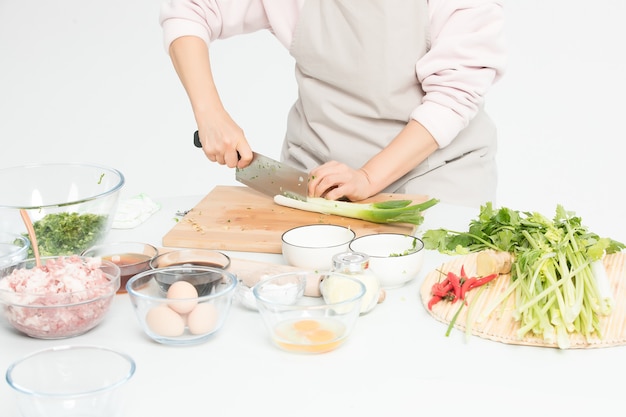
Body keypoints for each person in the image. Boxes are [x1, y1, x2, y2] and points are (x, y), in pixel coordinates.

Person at [160, 0, 506, 207]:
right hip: (315, 175)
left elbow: (453, 96)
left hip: (437, 171)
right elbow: (192, 10)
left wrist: (369, 177)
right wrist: (210, 113)